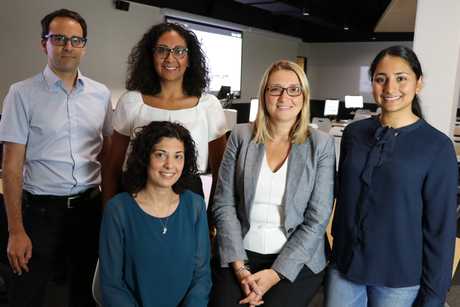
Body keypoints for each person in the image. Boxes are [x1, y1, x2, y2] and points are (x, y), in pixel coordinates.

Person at [326, 45, 458, 307]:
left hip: (398, 278)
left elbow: (440, 229)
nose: (390, 88)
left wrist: (434, 296)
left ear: (418, 83)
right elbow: (344, 200)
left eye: (401, 78)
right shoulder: (354, 133)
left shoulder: (436, 146)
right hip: (345, 268)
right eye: (380, 79)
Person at [0, 8, 112, 307]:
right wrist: (15, 230)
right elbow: (11, 167)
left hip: (88, 211)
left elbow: (109, 151)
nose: (68, 46)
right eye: (59, 38)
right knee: (28, 295)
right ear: (44, 43)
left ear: (84, 46)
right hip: (40, 215)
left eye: (76, 40)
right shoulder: (21, 94)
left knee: (85, 294)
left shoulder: (100, 95)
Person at [210, 60, 335, 307]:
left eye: (293, 89)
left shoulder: (320, 145)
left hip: (296, 258)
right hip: (241, 253)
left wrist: (275, 274)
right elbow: (223, 203)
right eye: (275, 89)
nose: (284, 96)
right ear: (265, 94)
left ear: (303, 96)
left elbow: (317, 218)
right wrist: (240, 267)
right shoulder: (241, 136)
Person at [104, 22, 228, 206]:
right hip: (135, 195)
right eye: (162, 50)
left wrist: (213, 216)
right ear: (151, 56)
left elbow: (221, 171)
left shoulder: (208, 105)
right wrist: (108, 211)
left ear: (189, 59)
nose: (170, 58)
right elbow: (112, 166)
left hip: (189, 197)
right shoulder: (131, 102)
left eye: (179, 51)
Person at [99, 121, 211, 306]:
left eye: (178, 156)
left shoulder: (195, 206)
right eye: (161, 155)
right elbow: (112, 284)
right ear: (145, 157)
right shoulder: (118, 210)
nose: (170, 165)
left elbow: (201, 276)